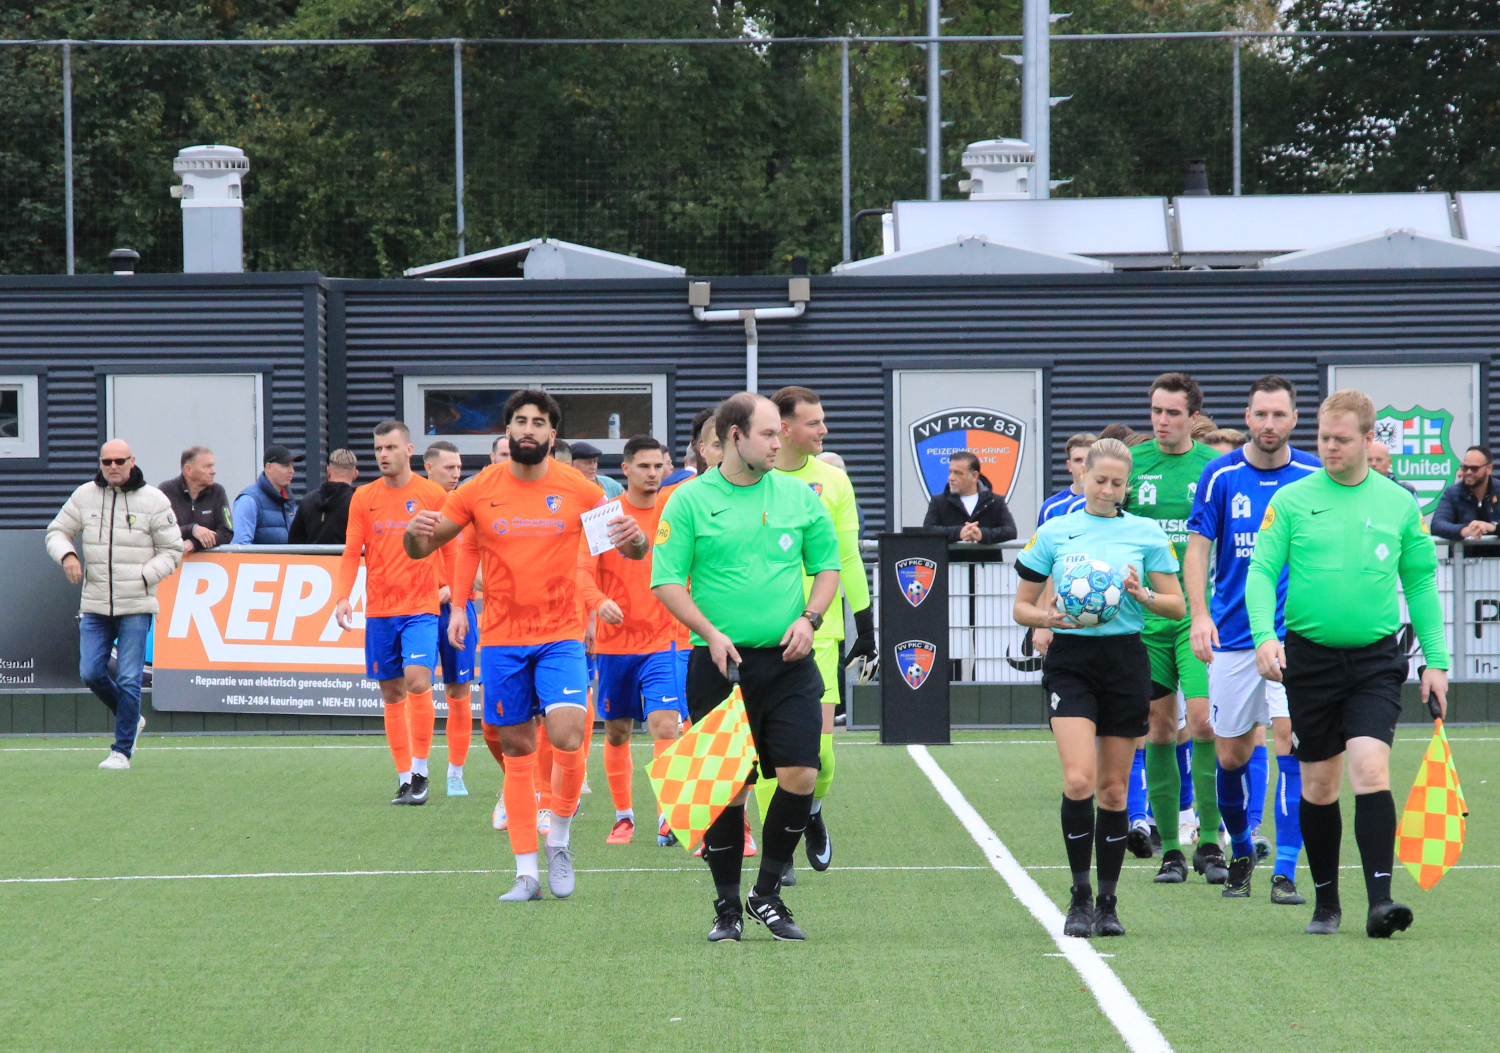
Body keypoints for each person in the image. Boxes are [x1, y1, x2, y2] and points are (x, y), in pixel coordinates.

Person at [404, 389, 648, 903]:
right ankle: (526, 873)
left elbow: (627, 547)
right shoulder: (477, 490)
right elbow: (424, 545)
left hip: (559, 634)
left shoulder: (579, 490)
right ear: (508, 432)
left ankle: (558, 838)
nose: (529, 429)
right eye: (521, 421)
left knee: (567, 733)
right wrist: (412, 534)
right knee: (515, 747)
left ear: (551, 435)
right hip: (501, 638)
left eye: (539, 422)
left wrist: (636, 538)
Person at [1247, 389, 1449, 938]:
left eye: (1340, 440)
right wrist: (1265, 635)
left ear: (1367, 440)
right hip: (1308, 661)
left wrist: (1437, 661)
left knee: (1370, 769)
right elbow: (1262, 571)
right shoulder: (1290, 501)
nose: (1329, 448)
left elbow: (1422, 583)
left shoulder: (1399, 504)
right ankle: (1327, 902)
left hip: (1376, 661)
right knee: (1318, 785)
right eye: (1323, 439)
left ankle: (1380, 902)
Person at [651, 392, 841, 943]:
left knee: (801, 774)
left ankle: (767, 893)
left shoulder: (799, 497)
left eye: (780, 434)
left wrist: (811, 617)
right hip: (718, 665)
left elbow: (827, 566)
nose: (779, 442)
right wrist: (709, 633)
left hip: (789, 661)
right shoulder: (688, 500)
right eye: (767, 435)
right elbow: (665, 578)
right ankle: (728, 908)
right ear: (734, 436)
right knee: (728, 789)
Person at [1013, 437, 1186, 938]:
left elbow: (1176, 605)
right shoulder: (1055, 531)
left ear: (1127, 485)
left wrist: (1143, 594)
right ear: (1083, 475)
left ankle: (1108, 903)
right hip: (1072, 661)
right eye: (1100, 480)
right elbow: (1021, 606)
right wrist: (1045, 616)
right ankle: (1079, 895)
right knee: (1078, 781)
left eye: (1117, 483)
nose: (1108, 490)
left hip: (1126, 660)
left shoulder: (1146, 533)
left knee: (1113, 790)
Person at [1185, 376, 1320, 904]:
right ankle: (1241, 846)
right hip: (1235, 636)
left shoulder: (1313, 473)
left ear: (1294, 419)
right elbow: (1197, 550)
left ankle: (1284, 868)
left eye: (1279, 415)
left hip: (1296, 636)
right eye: (1260, 415)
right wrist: (1200, 615)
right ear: (1247, 415)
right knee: (1232, 755)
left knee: (1290, 743)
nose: (1269, 425)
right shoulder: (1220, 473)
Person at [768, 386, 877, 881]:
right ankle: (780, 849)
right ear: (784, 428)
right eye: (814, 423)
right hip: (763, 633)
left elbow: (848, 556)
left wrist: (866, 622)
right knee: (773, 755)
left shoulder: (833, 481)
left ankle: (811, 813)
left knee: (822, 755)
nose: (824, 430)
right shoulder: (754, 479)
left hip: (821, 630)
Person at [1122, 372, 1223, 885]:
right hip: (1147, 620)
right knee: (1158, 728)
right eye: (1156, 411)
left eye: (1172, 413)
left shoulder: (1215, 468)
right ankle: (1170, 852)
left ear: (1193, 417)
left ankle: (1209, 840)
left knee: (1204, 723)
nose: (1161, 421)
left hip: (1198, 617)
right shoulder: (1132, 465)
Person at [577, 436, 688, 846]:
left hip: (664, 639)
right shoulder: (605, 517)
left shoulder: (674, 510)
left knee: (665, 727)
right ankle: (624, 816)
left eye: (658, 466)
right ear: (624, 470)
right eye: (643, 466)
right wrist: (599, 602)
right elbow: (583, 573)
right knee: (619, 732)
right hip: (615, 644)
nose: (653, 473)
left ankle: (667, 816)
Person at [46, 440, 183, 769]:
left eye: (120, 460)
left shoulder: (153, 500)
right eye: (107, 461)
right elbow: (57, 531)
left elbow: (173, 549)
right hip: (94, 604)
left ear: (132, 461)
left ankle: (121, 751)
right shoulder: (85, 495)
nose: (113, 467)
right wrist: (67, 555)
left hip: (136, 603)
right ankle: (131, 717)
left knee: (129, 677)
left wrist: (145, 576)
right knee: (91, 673)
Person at [333, 421, 451, 806]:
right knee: (391, 692)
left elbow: (452, 547)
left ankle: (421, 771)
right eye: (378, 448)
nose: (383, 454)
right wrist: (343, 597)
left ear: (409, 450)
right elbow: (353, 552)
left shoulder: (432, 493)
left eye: (390, 447)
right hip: (381, 609)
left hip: (421, 607)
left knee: (418, 681)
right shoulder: (363, 497)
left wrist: (452, 587)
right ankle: (404, 778)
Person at [423, 440, 478, 797]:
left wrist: (458, 589)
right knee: (418, 688)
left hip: (462, 608)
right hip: (421, 611)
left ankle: (455, 773)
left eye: (459, 468)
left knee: (459, 691)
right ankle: (417, 769)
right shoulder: (418, 504)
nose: (456, 473)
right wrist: (435, 586)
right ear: (429, 467)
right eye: (449, 468)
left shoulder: (470, 503)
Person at [923, 451, 1018, 543]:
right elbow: (927, 530)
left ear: (974, 476)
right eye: (950, 472)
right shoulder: (938, 502)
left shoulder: (995, 501)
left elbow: (1010, 531)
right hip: (950, 559)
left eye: (958, 473)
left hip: (987, 559)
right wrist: (958, 532)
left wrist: (982, 534)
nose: (951, 478)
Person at [159, 446, 233, 554]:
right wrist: (192, 529)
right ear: (188, 469)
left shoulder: (218, 492)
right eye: (207, 467)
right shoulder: (166, 490)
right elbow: (161, 530)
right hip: (172, 564)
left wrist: (194, 544)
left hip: (209, 566)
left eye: (213, 466)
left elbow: (227, 532)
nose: (213, 471)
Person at [288, 448, 360, 544]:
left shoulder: (307, 501)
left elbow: (294, 543)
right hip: (344, 559)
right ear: (355, 474)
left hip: (311, 559)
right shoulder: (358, 503)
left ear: (328, 471)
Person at [232, 445, 300, 544]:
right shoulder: (249, 500)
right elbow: (240, 544)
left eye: (292, 465)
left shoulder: (288, 501)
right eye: (286, 465)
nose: (292, 471)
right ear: (269, 467)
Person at [1432, 445, 1499, 543]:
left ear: (1489, 468)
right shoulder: (1452, 493)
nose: (1468, 472)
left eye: (1474, 468)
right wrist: (1464, 530)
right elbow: (1437, 525)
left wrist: (1493, 527)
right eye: (1465, 467)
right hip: (1463, 556)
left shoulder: (1498, 490)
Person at [1039, 433, 1097, 526]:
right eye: (1078, 460)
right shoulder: (1052, 507)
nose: (1084, 466)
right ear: (1069, 465)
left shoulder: (1110, 503)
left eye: (1088, 460)